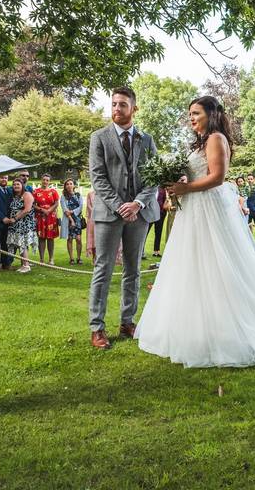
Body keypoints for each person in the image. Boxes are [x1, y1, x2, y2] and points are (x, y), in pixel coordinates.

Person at [136, 95, 255, 367]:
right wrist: (179, 182)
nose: (191, 118)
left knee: (218, 265)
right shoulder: (201, 142)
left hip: (209, 210)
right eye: (190, 113)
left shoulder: (215, 139)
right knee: (192, 266)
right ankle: (197, 327)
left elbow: (217, 177)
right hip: (193, 210)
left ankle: (233, 327)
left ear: (210, 114)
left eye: (196, 113)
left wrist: (187, 188)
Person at [88, 87, 161, 350]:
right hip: (109, 214)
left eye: (122, 105)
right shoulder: (99, 138)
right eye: (114, 104)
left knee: (133, 270)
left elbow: (154, 176)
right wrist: (121, 206)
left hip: (139, 214)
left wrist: (138, 203)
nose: (116, 109)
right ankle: (97, 327)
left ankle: (127, 321)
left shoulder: (146, 139)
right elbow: (98, 178)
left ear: (134, 108)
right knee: (103, 269)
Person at [5, 179, 36, 273]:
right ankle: (24, 264)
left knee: (22, 243)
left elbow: (27, 209)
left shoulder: (27, 194)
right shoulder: (16, 196)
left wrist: (15, 218)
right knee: (19, 243)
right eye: (14, 184)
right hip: (16, 225)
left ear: (22, 185)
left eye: (18, 184)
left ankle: (26, 266)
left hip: (24, 224)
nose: (16, 186)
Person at [33, 174, 60, 265]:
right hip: (40, 217)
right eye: (44, 179)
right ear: (41, 180)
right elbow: (33, 204)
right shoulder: (36, 191)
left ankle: (51, 259)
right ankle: (41, 259)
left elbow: (56, 203)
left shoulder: (53, 191)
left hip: (51, 218)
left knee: (50, 238)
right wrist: (42, 210)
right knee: (41, 238)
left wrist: (49, 210)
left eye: (47, 180)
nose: (45, 182)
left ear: (49, 181)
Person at [60, 179, 84, 265]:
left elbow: (81, 207)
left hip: (77, 219)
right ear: (65, 186)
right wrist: (71, 220)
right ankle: (71, 258)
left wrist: (73, 212)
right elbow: (65, 209)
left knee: (78, 239)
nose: (69, 185)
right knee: (69, 239)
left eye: (71, 184)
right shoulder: (63, 196)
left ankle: (79, 257)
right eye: (67, 184)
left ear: (74, 185)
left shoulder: (78, 195)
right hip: (68, 220)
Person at [152, 184, 168, 257]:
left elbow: (165, 200)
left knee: (158, 232)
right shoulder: (151, 187)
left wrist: (163, 211)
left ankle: (156, 251)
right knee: (145, 232)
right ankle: (141, 251)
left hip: (160, 214)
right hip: (151, 213)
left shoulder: (162, 189)